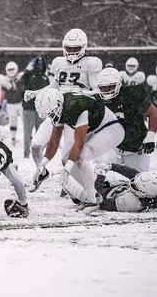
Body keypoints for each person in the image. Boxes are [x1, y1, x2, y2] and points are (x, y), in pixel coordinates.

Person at [25, 28, 102, 190]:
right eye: (69, 48)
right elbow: (54, 86)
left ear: (84, 47)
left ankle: (73, 187)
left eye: (76, 48)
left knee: (67, 158)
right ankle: (42, 172)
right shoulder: (58, 62)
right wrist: (36, 93)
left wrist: (82, 93)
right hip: (56, 109)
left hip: (76, 113)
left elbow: (99, 90)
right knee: (36, 146)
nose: (72, 52)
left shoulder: (92, 63)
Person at [32, 87, 124, 209]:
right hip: (96, 129)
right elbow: (54, 141)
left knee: (80, 157)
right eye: (49, 115)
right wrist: (42, 165)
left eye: (52, 113)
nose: (52, 117)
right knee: (67, 159)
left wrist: (67, 169)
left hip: (111, 129)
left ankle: (92, 200)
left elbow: (79, 143)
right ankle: (95, 193)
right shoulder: (61, 106)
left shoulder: (76, 106)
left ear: (58, 105)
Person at [94, 68, 157, 172]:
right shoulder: (96, 101)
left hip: (135, 146)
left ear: (118, 84)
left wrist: (150, 135)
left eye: (110, 86)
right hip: (112, 147)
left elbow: (154, 113)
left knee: (140, 182)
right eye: (103, 87)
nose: (107, 90)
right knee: (105, 179)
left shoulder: (131, 95)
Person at [64, 163, 157, 213]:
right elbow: (133, 174)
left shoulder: (130, 203)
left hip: (99, 196)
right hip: (109, 190)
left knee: (65, 179)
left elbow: (99, 202)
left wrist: (100, 178)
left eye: (135, 185)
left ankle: (75, 197)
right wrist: (112, 166)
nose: (132, 182)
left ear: (143, 194)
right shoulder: (152, 191)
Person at [19, 57, 49, 162]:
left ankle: (40, 152)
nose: (40, 66)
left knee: (41, 132)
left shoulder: (45, 78)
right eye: (38, 64)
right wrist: (26, 96)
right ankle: (26, 153)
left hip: (41, 109)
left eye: (41, 64)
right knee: (27, 132)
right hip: (28, 108)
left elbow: (48, 92)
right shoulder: (28, 75)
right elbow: (21, 87)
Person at [0, 61, 24, 146]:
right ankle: (13, 138)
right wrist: (0, 104)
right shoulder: (5, 80)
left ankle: (28, 138)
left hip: (21, 103)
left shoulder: (21, 77)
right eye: (9, 69)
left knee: (25, 121)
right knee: (13, 122)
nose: (11, 71)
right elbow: (3, 93)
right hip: (10, 104)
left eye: (12, 69)